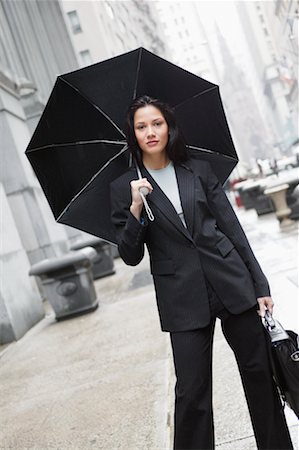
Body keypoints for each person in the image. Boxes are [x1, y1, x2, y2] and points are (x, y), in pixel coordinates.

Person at [110, 95, 293, 450]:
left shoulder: (197, 169)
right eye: (142, 126)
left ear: (169, 126)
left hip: (230, 280)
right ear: (132, 133)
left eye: (157, 123)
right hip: (181, 296)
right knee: (191, 390)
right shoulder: (124, 188)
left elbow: (231, 227)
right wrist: (135, 208)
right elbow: (129, 255)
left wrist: (259, 283)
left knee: (259, 376)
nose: (151, 132)